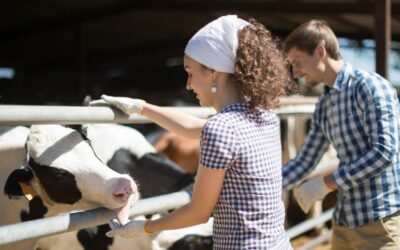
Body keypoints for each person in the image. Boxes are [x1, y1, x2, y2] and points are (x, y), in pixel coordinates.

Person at [91, 15, 293, 249]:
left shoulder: (222, 128)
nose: (188, 84)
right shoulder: (263, 114)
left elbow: (198, 212)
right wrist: (142, 107)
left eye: (191, 72)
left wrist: (145, 227)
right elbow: (191, 127)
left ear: (213, 71)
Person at [282, 19, 400, 249]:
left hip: (379, 221)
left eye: (297, 62)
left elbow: (385, 153)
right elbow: (305, 161)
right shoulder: (325, 104)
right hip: (344, 220)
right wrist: (268, 184)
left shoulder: (370, 86)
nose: (295, 73)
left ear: (320, 51)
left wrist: (326, 183)